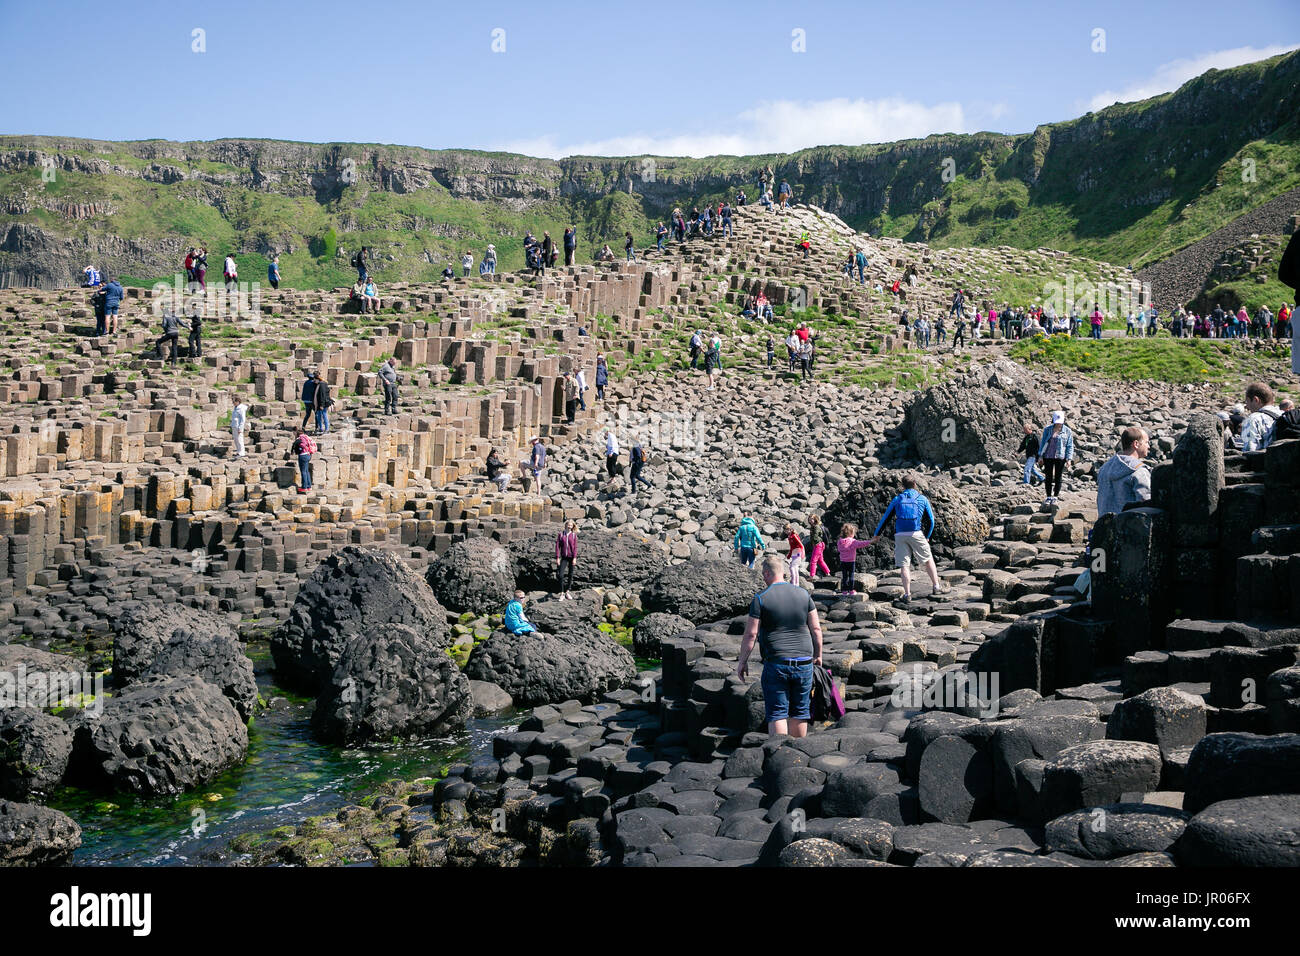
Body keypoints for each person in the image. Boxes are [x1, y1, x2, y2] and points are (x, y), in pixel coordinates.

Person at [736, 554, 824, 739]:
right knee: (800, 712)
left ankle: (778, 753)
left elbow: (751, 634)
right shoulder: (803, 594)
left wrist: (742, 661)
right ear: (783, 573)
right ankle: (795, 757)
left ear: (767, 573)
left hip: (777, 663)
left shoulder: (761, 598)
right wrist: (818, 655)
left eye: (763, 574)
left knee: (777, 713)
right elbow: (816, 629)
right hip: (804, 662)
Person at [868, 475, 946, 605]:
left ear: (902, 486)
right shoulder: (922, 499)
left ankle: (907, 594)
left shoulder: (897, 499)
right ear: (915, 484)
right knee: (928, 560)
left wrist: (877, 534)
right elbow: (931, 521)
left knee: (904, 565)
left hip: (900, 535)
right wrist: (927, 536)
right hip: (916, 533)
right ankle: (936, 586)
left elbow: (885, 518)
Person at [1097, 427, 1152, 517]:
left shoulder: (1104, 468)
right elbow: (1146, 503)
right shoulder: (1139, 471)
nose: (1148, 446)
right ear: (1136, 444)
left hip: (1104, 526)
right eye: (1146, 442)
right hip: (1128, 527)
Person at [1037, 410, 1075, 504]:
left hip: (1060, 457)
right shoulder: (1047, 429)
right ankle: (1048, 496)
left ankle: (1055, 496)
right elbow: (1043, 443)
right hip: (1048, 456)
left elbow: (1070, 446)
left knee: (1058, 477)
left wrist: (1069, 459)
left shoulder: (1067, 431)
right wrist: (1040, 456)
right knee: (1048, 477)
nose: (1058, 424)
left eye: (1060, 422)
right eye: (1056, 422)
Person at [1241, 382, 1282, 452]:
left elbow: (1249, 451)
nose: (1246, 407)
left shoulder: (1253, 419)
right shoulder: (1284, 415)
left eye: (1247, 402)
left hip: (1268, 462)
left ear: (1256, 400)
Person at [835, 523, 873, 595]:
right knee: (851, 576)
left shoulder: (840, 541)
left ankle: (844, 591)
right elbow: (862, 543)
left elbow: (839, 550)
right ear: (851, 533)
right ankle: (851, 590)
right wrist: (870, 541)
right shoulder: (852, 541)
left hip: (843, 561)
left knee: (845, 576)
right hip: (851, 562)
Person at [555, 520, 578, 600]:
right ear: (566, 525)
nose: (569, 526)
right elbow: (557, 547)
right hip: (564, 557)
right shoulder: (561, 535)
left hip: (571, 557)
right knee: (560, 575)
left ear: (572, 527)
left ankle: (567, 591)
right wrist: (557, 557)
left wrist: (574, 558)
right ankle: (562, 593)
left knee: (570, 575)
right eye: (568, 525)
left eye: (571, 525)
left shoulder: (574, 535)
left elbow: (575, 548)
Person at [291, 427, 316, 492]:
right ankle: (309, 486)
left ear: (296, 432)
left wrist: (297, 450)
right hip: (308, 455)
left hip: (303, 456)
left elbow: (299, 446)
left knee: (303, 472)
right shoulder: (306, 436)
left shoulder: (300, 438)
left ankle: (304, 487)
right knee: (306, 471)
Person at [807, 515, 831, 581]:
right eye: (809, 519)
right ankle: (828, 573)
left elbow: (815, 536)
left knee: (813, 561)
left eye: (812, 519)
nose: (810, 520)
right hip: (819, 545)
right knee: (820, 561)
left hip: (818, 545)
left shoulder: (816, 527)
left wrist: (814, 542)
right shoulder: (814, 526)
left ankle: (812, 576)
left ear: (815, 519)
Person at [783, 523, 805, 587]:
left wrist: (803, 553)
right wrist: (789, 555)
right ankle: (795, 583)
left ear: (789, 529)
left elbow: (801, 545)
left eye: (786, 530)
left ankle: (794, 584)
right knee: (794, 568)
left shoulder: (794, 535)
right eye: (785, 530)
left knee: (793, 567)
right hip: (794, 553)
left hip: (798, 552)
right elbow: (792, 547)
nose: (785, 531)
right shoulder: (789, 536)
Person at [312, 371, 332, 435]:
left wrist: (322, 405)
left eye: (314, 379)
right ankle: (321, 428)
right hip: (319, 403)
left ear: (316, 379)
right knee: (318, 415)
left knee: (324, 415)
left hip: (323, 403)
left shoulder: (322, 384)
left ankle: (327, 429)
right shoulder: (318, 384)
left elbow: (323, 395)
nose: (313, 381)